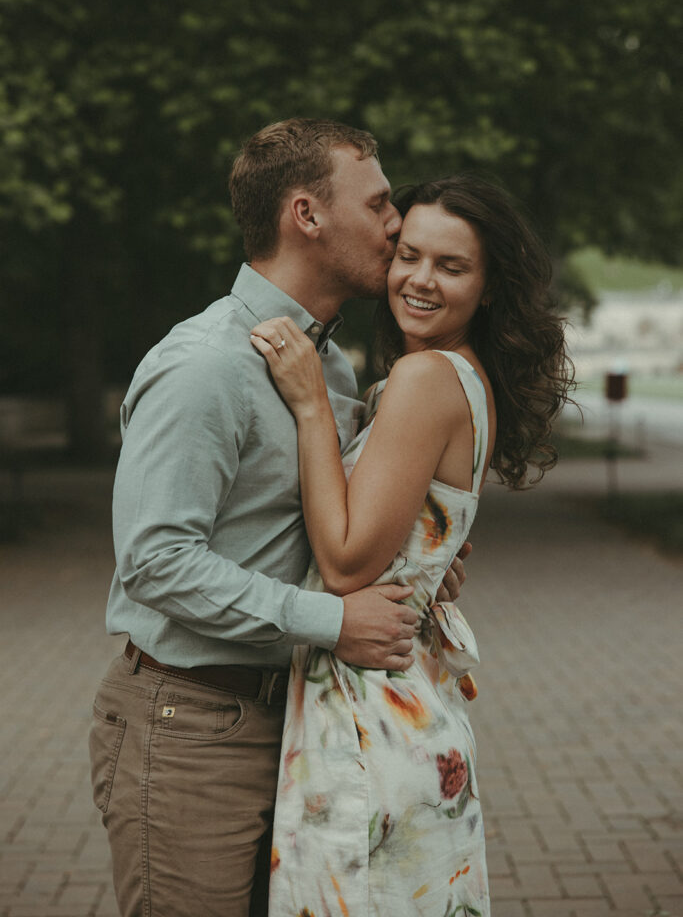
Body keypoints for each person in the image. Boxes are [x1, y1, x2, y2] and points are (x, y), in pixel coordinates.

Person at [88, 118, 469, 917]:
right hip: (189, 726)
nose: (395, 223)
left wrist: (414, 559)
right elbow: (154, 561)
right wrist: (329, 618)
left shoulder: (325, 361)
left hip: (301, 719)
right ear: (306, 215)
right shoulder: (206, 365)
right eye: (378, 203)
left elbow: (317, 525)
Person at [251, 173, 574, 916]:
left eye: (451, 266)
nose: (419, 280)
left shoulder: (427, 377)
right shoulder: (466, 379)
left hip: (371, 719)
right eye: (409, 256)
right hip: (409, 710)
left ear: (488, 287)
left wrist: (308, 406)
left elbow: (343, 563)